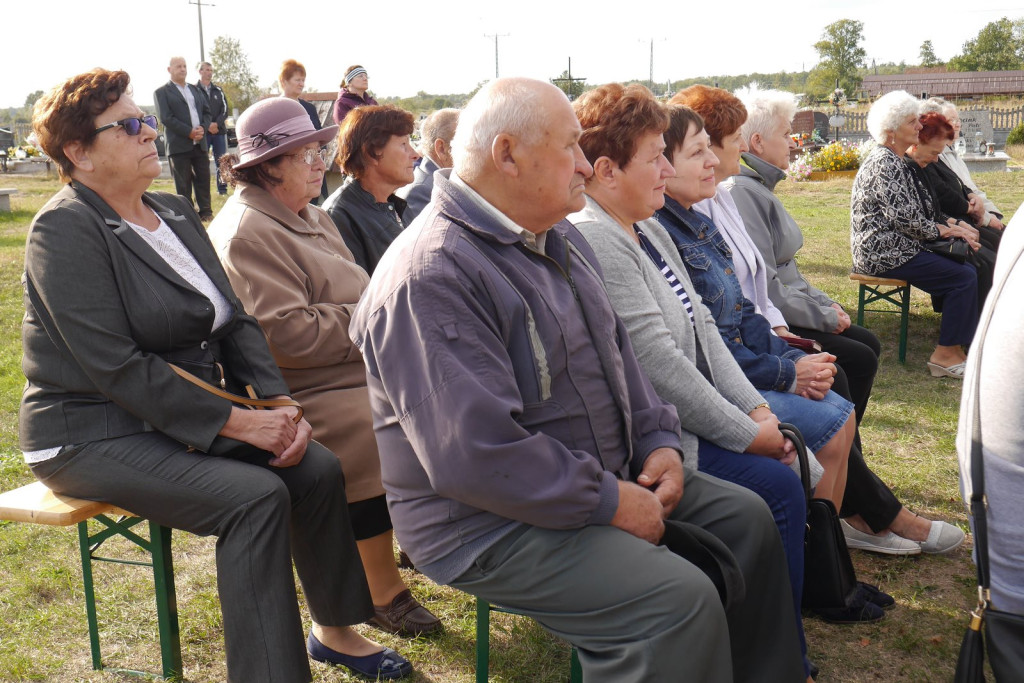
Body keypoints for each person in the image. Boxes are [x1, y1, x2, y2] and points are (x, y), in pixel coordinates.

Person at [350, 77, 805, 682]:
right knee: (673, 603)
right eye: (571, 146)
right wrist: (612, 501)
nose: (587, 164)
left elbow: (620, 359)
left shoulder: (555, 233)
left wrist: (660, 442)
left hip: (595, 476)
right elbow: (476, 459)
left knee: (747, 519)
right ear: (507, 154)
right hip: (486, 523)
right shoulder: (431, 276)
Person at [22, 68, 411, 682]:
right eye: (128, 124)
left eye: (146, 117)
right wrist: (239, 423)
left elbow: (237, 322)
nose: (149, 130)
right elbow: (114, 367)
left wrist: (283, 408)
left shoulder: (173, 212)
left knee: (317, 467)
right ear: (78, 153)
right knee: (252, 500)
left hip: (172, 419)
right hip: (89, 432)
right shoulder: (64, 228)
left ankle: (335, 632)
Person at [568, 82, 816, 678]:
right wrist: (744, 431)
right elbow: (658, 363)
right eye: (656, 156)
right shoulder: (598, 236)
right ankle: (769, 654)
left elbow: (702, 327)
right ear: (607, 171)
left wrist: (756, 409)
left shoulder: (645, 224)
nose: (666, 170)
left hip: (682, 423)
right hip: (656, 439)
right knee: (775, 486)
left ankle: (772, 639)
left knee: (785, 464)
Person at [207, 97, 441, 638]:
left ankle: (429, 535)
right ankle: (380, 588)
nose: (322, 161)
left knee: (437, 394)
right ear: (269, 166)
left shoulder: (305, 213)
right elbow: (285, 335)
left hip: (347, 367)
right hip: (294, 387)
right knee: (373, 427)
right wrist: (369, 318)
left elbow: (350, 294)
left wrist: (369, 317)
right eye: (306, 153)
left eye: (318, 149)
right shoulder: (248, 231)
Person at [700, 87, 963, 555]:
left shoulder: (737, 193)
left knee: (861, 351)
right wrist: (799, 327)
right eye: (785, 133)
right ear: (756, 142)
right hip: (762, 335)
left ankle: (845, 488)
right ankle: (866, 510)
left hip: (770, 324)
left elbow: (773, 275)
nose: (793, 142)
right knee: (844, 366)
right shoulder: (737, 192)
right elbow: (754, 293)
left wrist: (819, 308)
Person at [654, 104, 856, 516]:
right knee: (835, 421)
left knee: (839, 398)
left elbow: (744, 307)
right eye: (698, 152)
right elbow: (700, 345)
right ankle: (824, 541)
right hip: (718, 389)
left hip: (743, 365)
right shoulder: (662, 232)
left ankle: (828, 540)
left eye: (713, 147)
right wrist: (786, 372)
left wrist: (792, 356)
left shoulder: (698, 221)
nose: (714, 158)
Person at [851, 90, 981, 379]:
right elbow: (906, 219)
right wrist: (946, 230)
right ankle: (944, 355)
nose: (919, 127)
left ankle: (955, 350)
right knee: (962, 277)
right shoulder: (885, 163)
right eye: (912, 122)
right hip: (882, 252)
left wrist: (952, 228)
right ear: (892, 131)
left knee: (966, 265)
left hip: (899, 245)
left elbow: (922, 210)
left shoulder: (895, 160)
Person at [958, 203, 1024, 616]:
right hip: (1012, 580)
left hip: (996, 545)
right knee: (968, 268)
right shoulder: (892, 166)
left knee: (976, 258)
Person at [906, 112, 998, 311]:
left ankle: (981, 321)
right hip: (921, 241)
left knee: (987, 254)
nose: (937, 159)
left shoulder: (923, 162)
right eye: (934, 152)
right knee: (979, 262)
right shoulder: (910, 168)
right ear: (916, 144)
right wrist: (954, 227)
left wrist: (958, 224)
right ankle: (973, 328)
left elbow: (933, 209)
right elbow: (917, 219)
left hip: (939, 228)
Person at [323, 105, 416, 274]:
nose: (415, 154)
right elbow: (357, 292)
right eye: (403, 144)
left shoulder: (396, 205)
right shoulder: (340, 215)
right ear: (372, 153)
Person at [924, 97, 1004, 230]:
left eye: (957, 119)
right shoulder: (936, 156)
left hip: (980, 215)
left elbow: (970, 189)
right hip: (968, 220)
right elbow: (952, 194)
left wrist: (992, 213)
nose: (957, 124)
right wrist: (987, 219)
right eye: (951, 120)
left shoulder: (952, 154)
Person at [154, 56, 212, 221]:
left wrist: (203, 127)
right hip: (179, 145)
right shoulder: (161, 92)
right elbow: (166, 118)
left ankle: (206, 212)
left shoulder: (196, 90)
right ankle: (188, 214)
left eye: (185, 66)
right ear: (169, 70)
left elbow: (207, 113)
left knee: (203, 178)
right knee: (183, 183)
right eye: (178, 66)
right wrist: (188, 131)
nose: (182, 69)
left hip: (199, 143)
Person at [278, 58, 329, 203]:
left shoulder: (310, 108)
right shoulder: (276, 108)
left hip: (313, 167)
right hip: (292, 171)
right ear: (284, 81)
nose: (302, 84)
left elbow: (320, 139)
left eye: (303, 80)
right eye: (297, 80)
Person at [396, 107, 459, 223]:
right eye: (464, 142)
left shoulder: (435, 182)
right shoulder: (420, 192)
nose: (475, 149)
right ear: (442, 149)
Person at [196, 61, 229, 196]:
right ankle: (204, 193)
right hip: (203, 133)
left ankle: (222, 190)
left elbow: (225, 110)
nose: (209, 72)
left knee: (221, 162)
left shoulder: (218, 91)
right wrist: (207, 125)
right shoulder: (194, 90)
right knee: (201, 163)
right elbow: (194, 111)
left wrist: (216, 124)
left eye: (211, 70)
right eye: (207, 70)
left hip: (219, 132)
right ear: (200, 72)